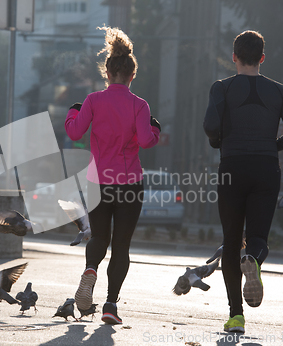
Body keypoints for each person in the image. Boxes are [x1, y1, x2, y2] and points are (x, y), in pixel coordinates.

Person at [203, 30, 283, 333]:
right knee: (258, 237)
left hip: (232, 167)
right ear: (262, 58)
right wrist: (271, 146)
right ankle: (254, 260)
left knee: (231, 242)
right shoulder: (280, 91)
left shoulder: (221, 88)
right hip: (265, 169)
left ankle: (236, 316)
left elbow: (210, 125)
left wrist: (218, 141)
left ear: (234, 57)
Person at [65, 26, 161, 324]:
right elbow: (146, 140)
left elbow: (75, 131)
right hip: (130, 183)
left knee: (99, 237)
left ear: (107, 72)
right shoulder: (140, 105)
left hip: (98, 181)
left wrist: (72, 111)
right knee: (121, 245)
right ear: (132, 75)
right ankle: (110, 306)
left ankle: (90, 269)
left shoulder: (93, 100)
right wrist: (156, 129)